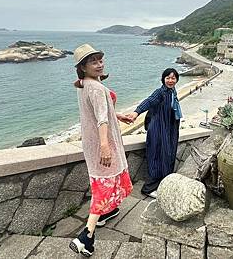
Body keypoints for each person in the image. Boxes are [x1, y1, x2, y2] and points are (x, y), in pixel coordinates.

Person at [69, 44, 133, 256]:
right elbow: (101, 119)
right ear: (83, 67)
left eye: (100, 60)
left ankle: (106, 213)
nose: (99, 64)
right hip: (101, 143)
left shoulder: (84, 84)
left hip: (91, 142)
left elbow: (100, 112)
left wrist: (119, 116)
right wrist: (105, 146)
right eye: (93, 62)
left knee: (101, 182)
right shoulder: (95, 88)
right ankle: (85, 236)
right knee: (103, 187)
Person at [126, 68, 182, 197]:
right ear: (163, 79)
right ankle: (148, 188)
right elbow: (149, 101)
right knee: (157, 156)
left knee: (168, 155)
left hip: (169, 129)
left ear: (177, 80)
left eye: (173, 78)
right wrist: (136, 112)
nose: (170, 80)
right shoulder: (160, 92)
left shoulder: (172, 91)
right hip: (158, 129)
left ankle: (163, 183)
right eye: (167, 78)